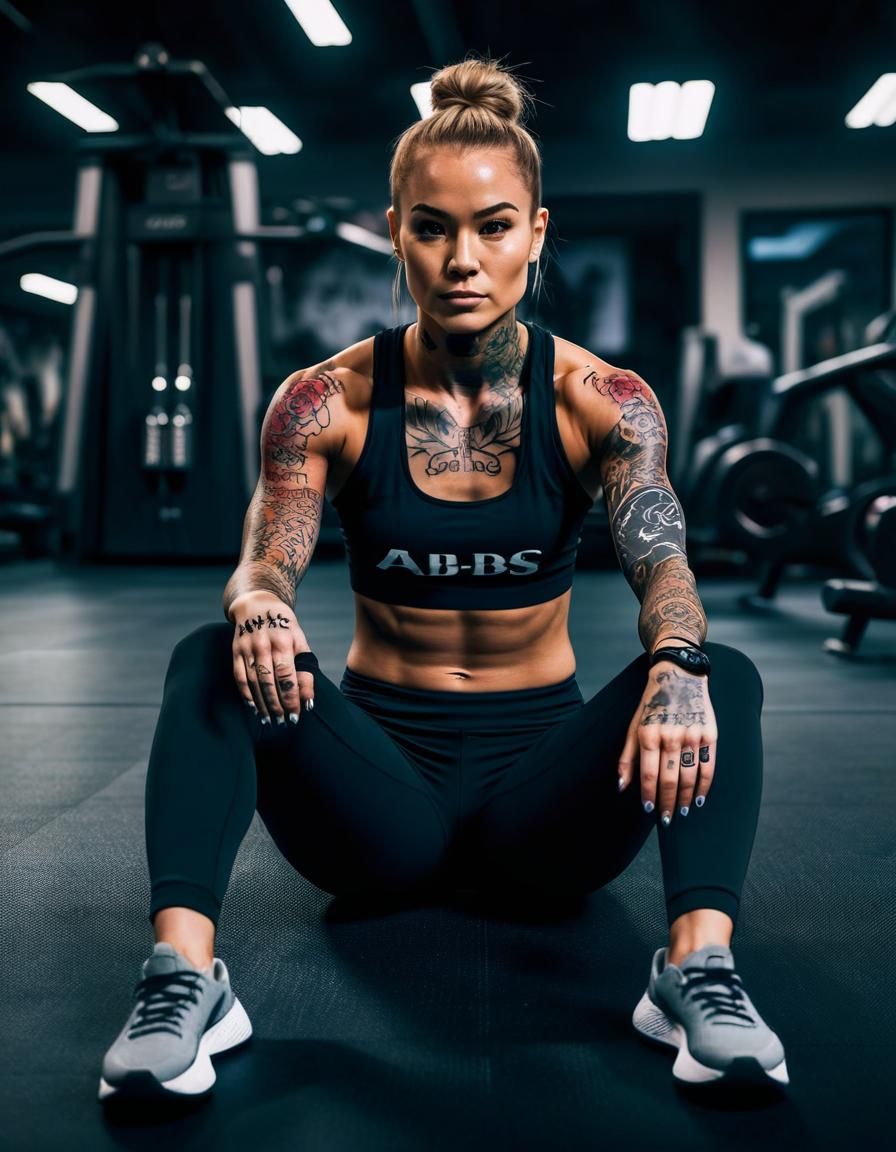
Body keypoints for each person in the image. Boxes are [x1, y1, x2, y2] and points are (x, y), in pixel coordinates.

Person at [99, 54, 789, 1103]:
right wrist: (257, 610)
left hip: (544, 805)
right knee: (210, 656)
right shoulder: (321, 401)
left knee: (713, 669)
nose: (462, 258)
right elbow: (265, 557)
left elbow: (662, 562)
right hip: (380, 805)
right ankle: (184, 979)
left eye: (492, 227)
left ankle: (696, 966)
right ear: (397, 234)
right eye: (432, 228)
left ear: (535, 234)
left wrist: (676, 657)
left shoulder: (601, 398)